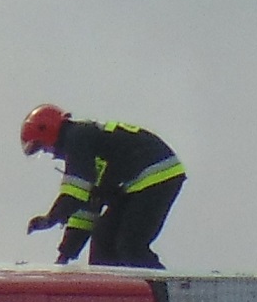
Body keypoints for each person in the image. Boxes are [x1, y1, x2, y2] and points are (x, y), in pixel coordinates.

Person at [20, 104, 186, 267]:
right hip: (138, 183)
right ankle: (114, 291)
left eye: (42, 146)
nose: (47, 152)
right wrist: (66, 253)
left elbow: (74, 193)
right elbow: (89, 203)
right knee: (103, 239)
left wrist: (49, 219)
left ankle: (167, 291)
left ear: (48, 132)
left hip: (157, 175)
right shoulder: (85, 142)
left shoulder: (77, 138)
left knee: (131, 246)